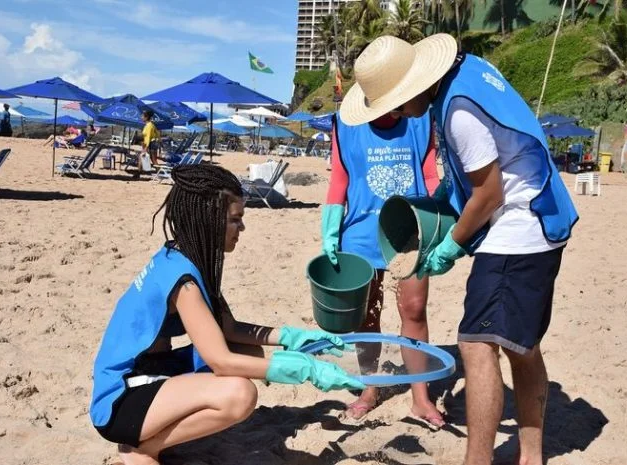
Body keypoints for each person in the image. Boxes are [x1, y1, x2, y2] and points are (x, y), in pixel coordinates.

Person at [340, 35, 578, 465]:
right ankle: (531, 456)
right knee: (522, 346)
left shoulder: (458, 111)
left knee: (475, 343)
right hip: (545, 214)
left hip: (521, 224)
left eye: (392, 103)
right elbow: (475, 174)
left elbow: (488, 194)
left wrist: (450, 245)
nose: (393, 113)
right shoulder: (465, 72)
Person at [90, 164, 364, 465]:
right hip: (118, 401)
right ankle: (141, 448)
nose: (242, 229)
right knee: (240, 394)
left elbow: (229, 329)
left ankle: (150, 439)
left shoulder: (185, 254)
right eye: (236, 220)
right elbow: (220, 361)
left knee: (245, 351)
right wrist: (305, 370)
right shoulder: (184, 281)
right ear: (209, 220)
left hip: (148, 371)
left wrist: (293, 338)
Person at [322, 112, 444, 426]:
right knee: (366, 317)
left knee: (414, 310)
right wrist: (331, 230)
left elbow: (429, 173)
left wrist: (439, 221)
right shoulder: (345, 125)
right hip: (361, 234)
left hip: (411, 229)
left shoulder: (419, 119)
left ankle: (420, 397)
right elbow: (339, 179)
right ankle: (369, 390)